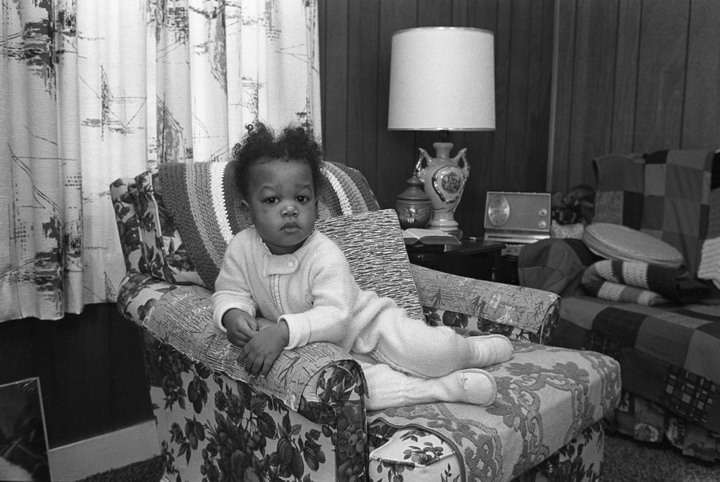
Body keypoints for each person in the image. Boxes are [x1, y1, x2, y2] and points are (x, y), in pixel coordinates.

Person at [212, 122, 513, 410]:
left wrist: (283, 331)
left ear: (316, 205)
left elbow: (336, 317)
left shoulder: (323, 253)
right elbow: (229, 292)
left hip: (369, 325)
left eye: (301, 198)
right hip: (330, 351)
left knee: (433, 352)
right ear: (247, 210)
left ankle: (474, 351)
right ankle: (443, 389)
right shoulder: (242, 248)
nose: (289, 208)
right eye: (272, 199)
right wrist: (232, 314)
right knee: (354, 389)